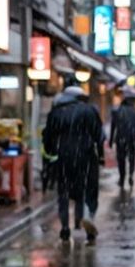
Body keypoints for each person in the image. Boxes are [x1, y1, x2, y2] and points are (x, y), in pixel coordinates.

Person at [43, 84, 103, 243]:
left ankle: (64, 227)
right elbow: (99, 135)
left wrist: (51, 152)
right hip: (87, 155)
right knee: (88, 188)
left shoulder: (56, 113)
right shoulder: (90, 111)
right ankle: (88, 216)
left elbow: (47, 135)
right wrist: (101, 155)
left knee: (63, 191)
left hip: (63, 157)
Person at [109, 92, 135, 191]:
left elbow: (113, 127)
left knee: (121, 160)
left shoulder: (118, 111)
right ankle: (131, 175)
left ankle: (122, 178)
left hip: (121, 138)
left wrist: (111, 140)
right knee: (132, 159)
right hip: (133, 139)